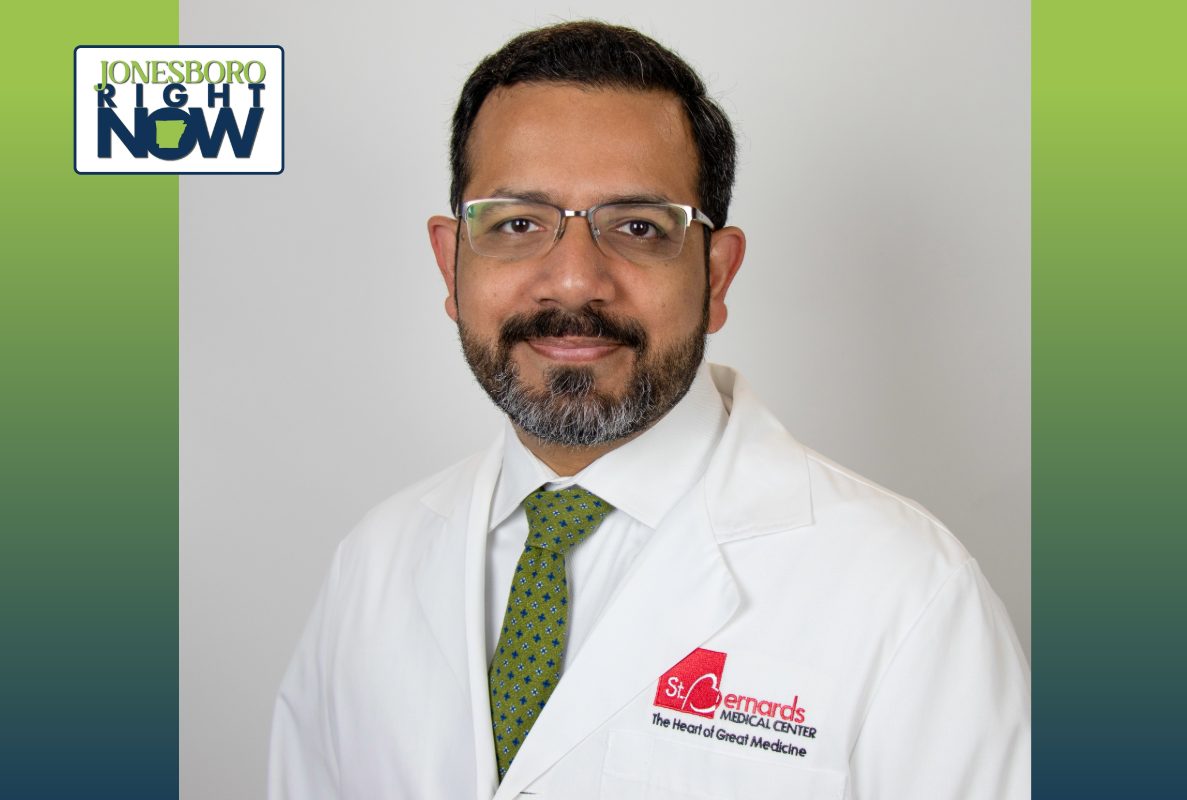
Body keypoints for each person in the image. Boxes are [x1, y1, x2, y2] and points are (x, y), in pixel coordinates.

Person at [268, 21, 1030, 800]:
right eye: (517, 223)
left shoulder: (908, 596)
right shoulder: (374, 564)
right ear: (450, 262)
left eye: (638, 227)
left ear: (716, 276)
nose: (574, 282)